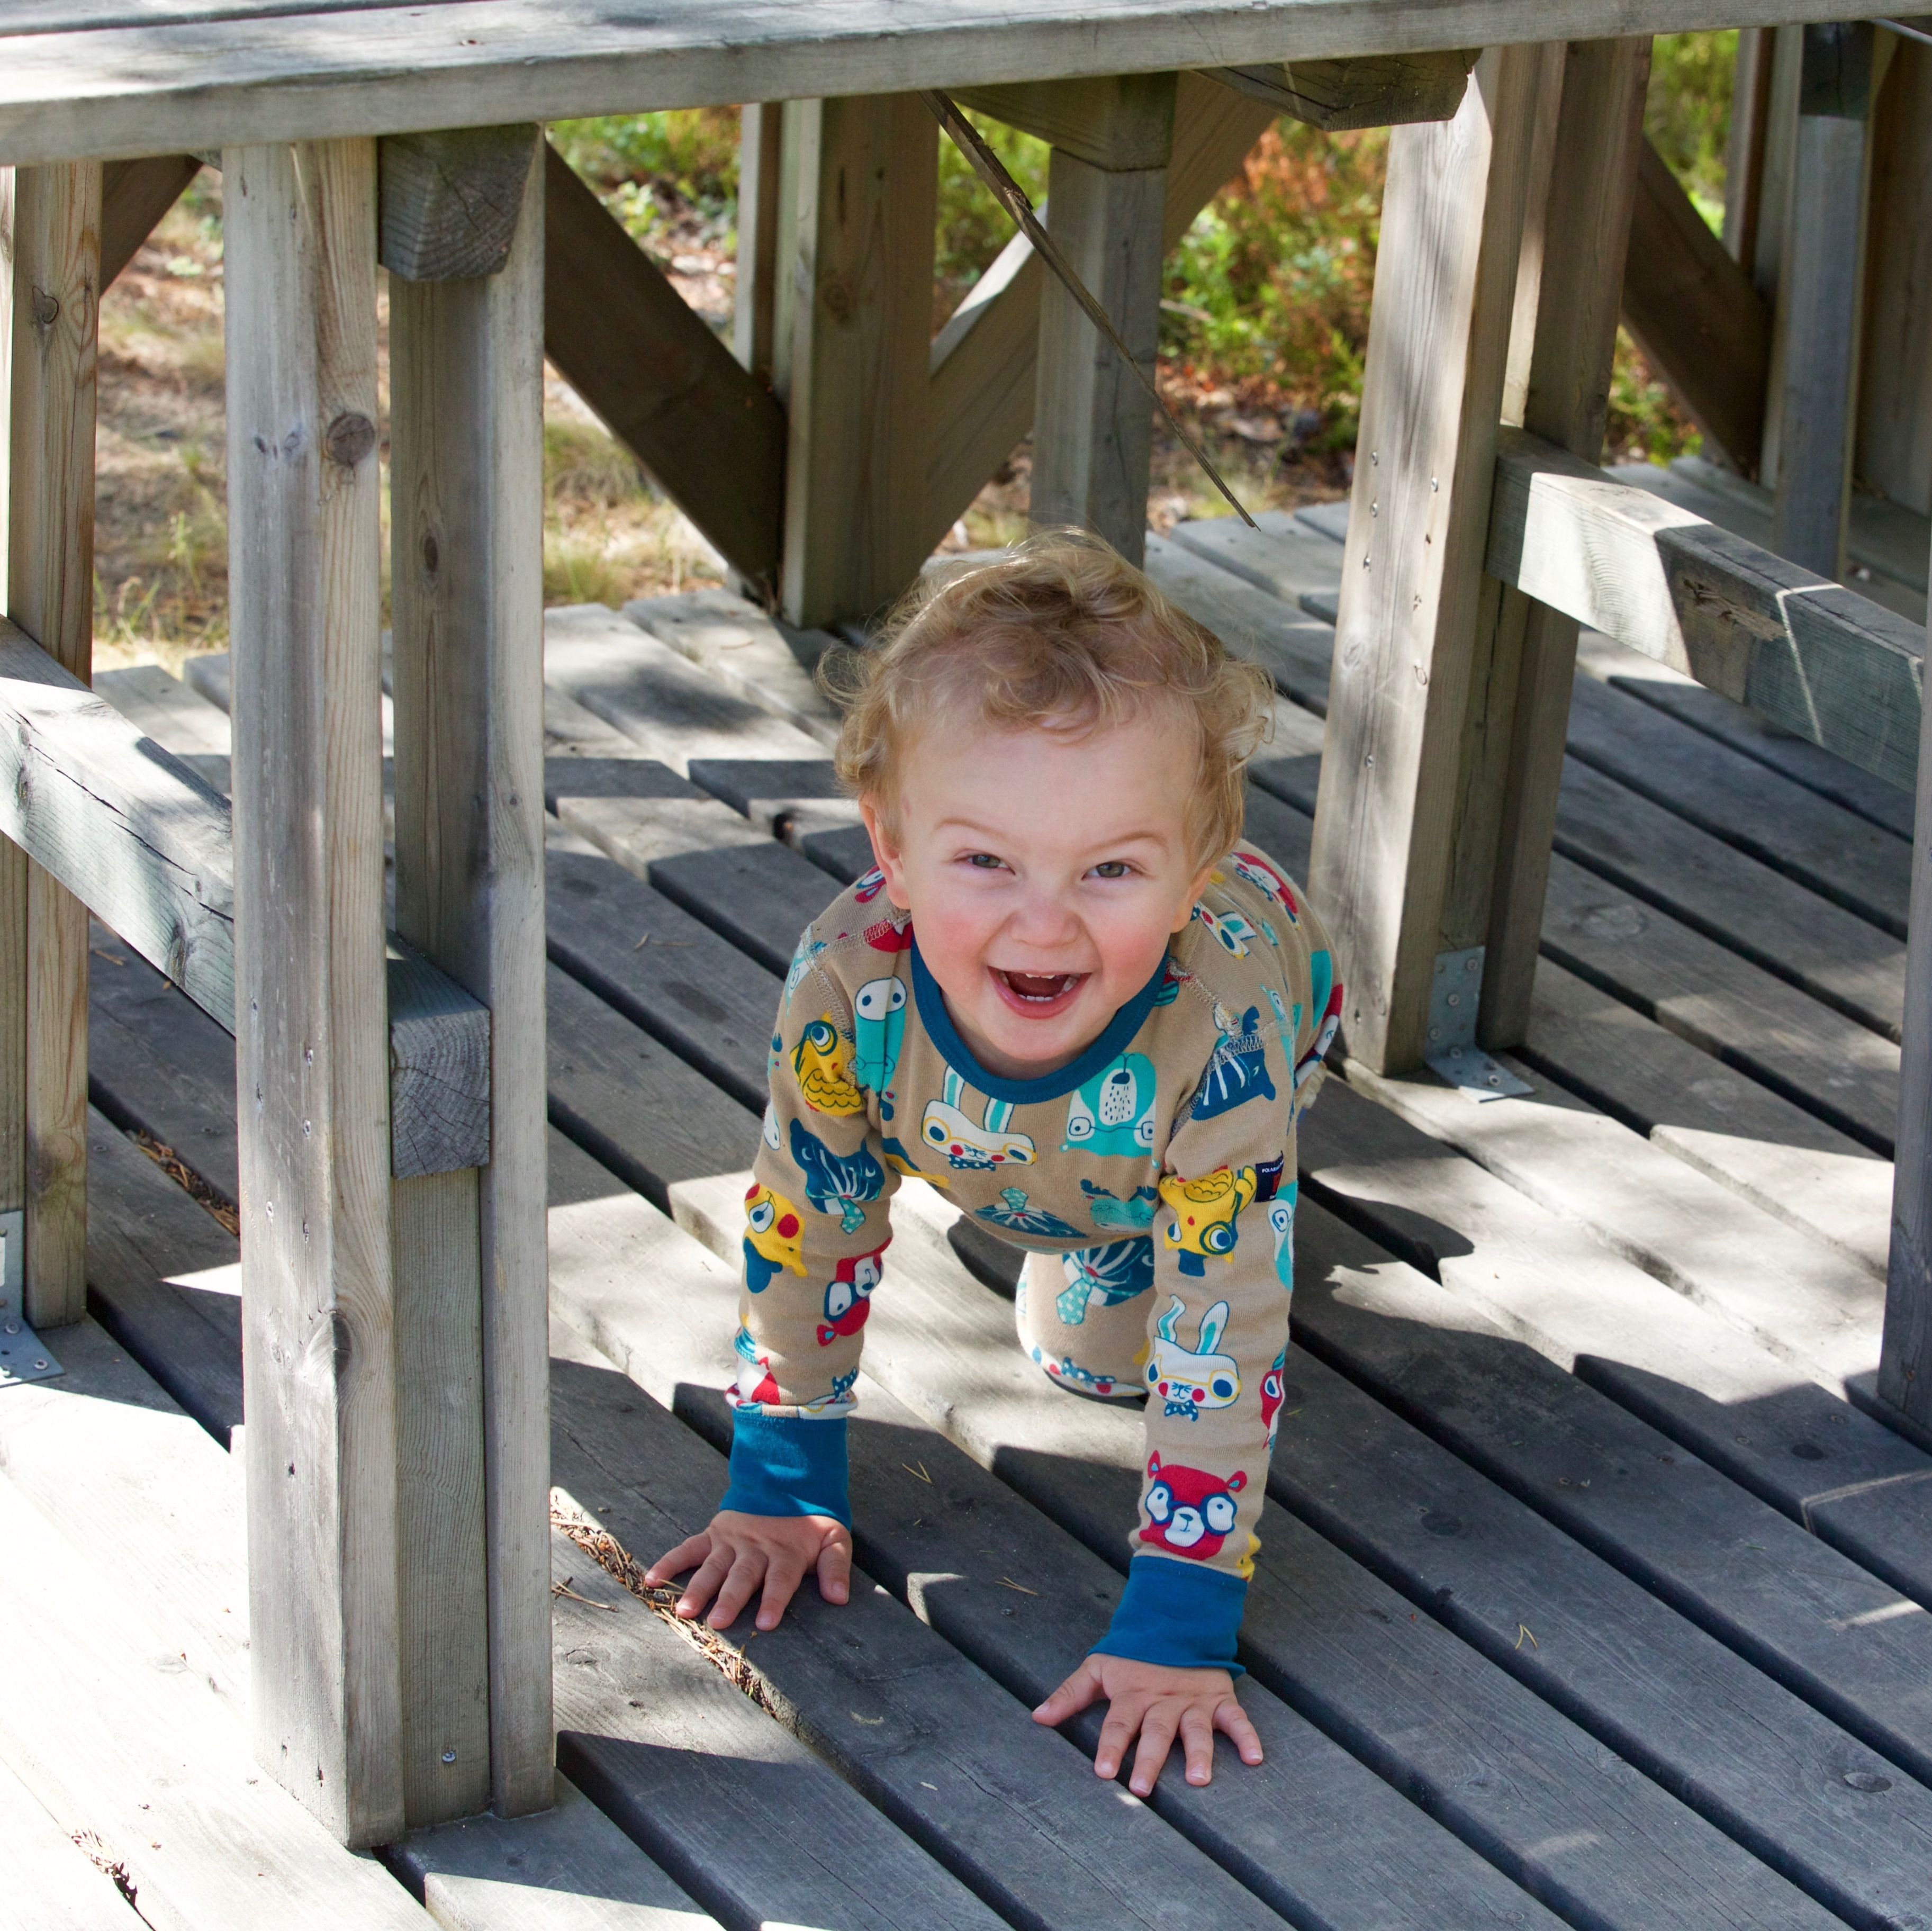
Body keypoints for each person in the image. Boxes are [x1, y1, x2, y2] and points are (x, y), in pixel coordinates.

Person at [647, 531, 1342, 1798]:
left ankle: (1121, 1231)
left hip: (1255, 1049)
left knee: (1115, 1344)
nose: (1044, 917)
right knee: (1045, 1243)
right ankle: (1082, 1220)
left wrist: (1180, 1629)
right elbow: (810, 1223)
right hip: (1014, 1146)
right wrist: (781, 1476)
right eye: (984, 860)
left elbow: (1222, 1339)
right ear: (892, 848)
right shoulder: (848, 987)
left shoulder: (1220, 1032)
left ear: (1192, 869)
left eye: (1115, 867)